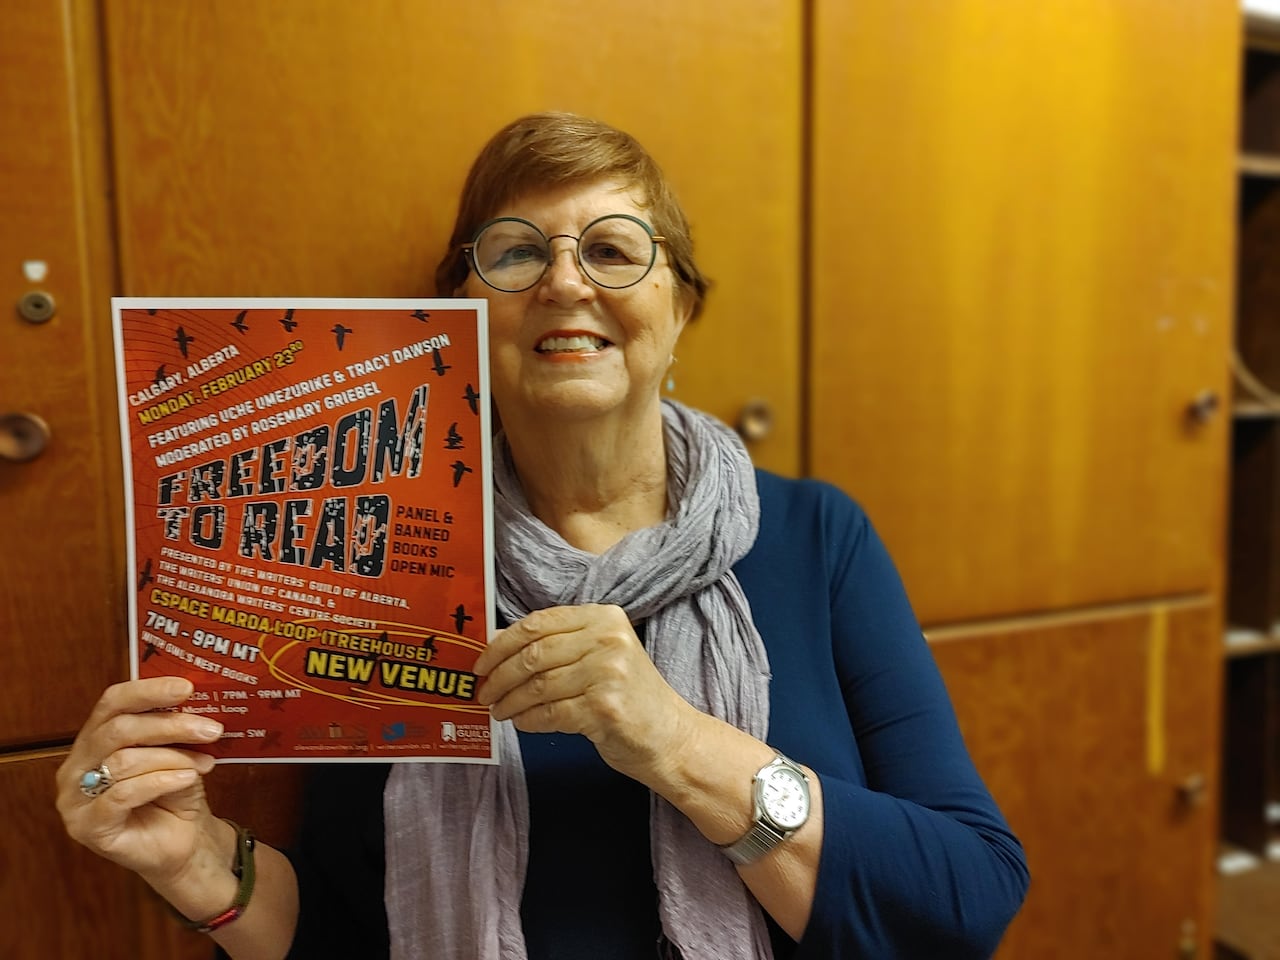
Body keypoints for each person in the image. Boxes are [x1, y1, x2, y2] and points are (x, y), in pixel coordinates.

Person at [56, 111, 1029, 960]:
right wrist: (200, 867)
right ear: (458, 316)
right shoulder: (370, 561)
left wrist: (672, 740)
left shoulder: (816, 537)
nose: (564, 282)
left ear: (680, 307)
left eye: (612, 250)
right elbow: (355, 938)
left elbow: (964, 901)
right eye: (516, 252)